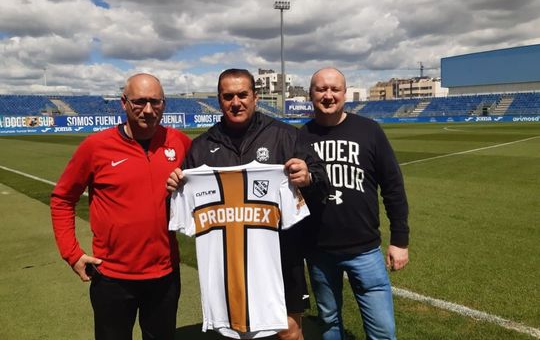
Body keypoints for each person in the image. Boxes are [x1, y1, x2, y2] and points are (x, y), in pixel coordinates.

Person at [167, 68, 329, 340]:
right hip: (229, 259)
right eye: (228, 96)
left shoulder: (285, 136)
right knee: (237, 331)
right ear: (219, 100)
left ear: (255, 97)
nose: (236, 102)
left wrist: (308, 177)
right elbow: (180, 204)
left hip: (281, 255)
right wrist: (175, 185)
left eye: (242, 95)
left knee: (288, 332)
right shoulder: (202, 147)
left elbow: (323, 183)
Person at [50, 73, 192, 340]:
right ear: (123, 103)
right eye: (139, 101)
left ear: (164, 104)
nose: (148, 110)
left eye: (155, 102)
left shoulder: (180, 143)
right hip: (112, 277)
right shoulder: (96, 147)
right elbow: (62, 199)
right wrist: (72, 253)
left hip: (165, 275)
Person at [298, 67, 410, 340]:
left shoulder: (369, 131)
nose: (328, 95)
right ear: (311, 94)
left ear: (344, 93)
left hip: (365, 249)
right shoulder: (300, 137)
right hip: (319, 250)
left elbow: (393, 186)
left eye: (334, 89)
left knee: (383, 331)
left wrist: (400, 240)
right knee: (329, 321)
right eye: (321, 89)